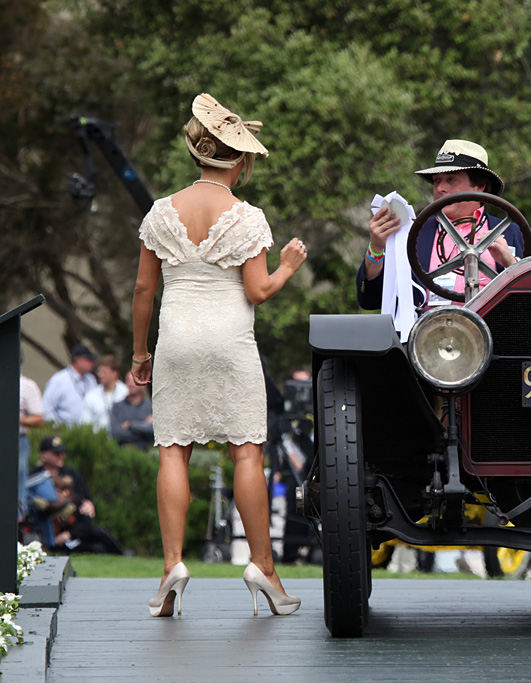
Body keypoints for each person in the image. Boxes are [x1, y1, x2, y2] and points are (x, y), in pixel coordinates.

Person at [131, 93, 305, 618]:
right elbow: (257, 291)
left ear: (198, 153)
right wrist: (290, 265)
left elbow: (143, 290)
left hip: (177, 340)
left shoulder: (161, 212)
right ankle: (264, 570)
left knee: (172, 451)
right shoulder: (247, 218)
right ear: (241, 160)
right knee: (246, 452)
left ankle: (171, 569)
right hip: (230, 343)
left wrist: (140, 353)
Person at [356, 139, 531, 310]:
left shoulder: (518, 235)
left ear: (480, 185)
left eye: (451, 179)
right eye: (436, 181)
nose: (440, 188)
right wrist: (376, 248)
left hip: (493, 335)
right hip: (426, 336)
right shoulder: (411, 236)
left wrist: (511, 264)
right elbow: (370, 299)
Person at [27, 435, 122, 554]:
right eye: (56, 454)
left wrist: (71, 532)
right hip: (52, 530)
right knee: (96, 549)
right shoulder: (34, 477)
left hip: (74, 527)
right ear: (44, 456)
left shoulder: (71, 474)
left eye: (62, 453)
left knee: (100, 534)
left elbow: (85, 502)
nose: (61, 456)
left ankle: (123, 554)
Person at [41, 343, 98, 425]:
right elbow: (47, 408)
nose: (93, 363)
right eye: (89, 360)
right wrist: (56, 428)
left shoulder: (91, 380)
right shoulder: (59, 380)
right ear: (78, 360)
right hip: (64, 432)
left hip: (87, 432)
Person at [19, 368, 44, 517]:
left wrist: (15, 418)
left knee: (17, 483)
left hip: (18, 440)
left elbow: (38, 419)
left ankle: (18, 519)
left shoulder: (27, 385)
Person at [82, 355, 129, 432]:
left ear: (115, 373)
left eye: (104, 372)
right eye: (99, 371)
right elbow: (85, 423)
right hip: (98, 438)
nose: (100, 375)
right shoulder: (91, 396)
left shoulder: (126, 392)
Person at [109, 371, 155, 449]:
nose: (131, 384)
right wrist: (143, 427)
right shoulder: (117, 407)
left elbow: (153, 431)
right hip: (122, 454)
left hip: (147, 455)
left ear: (143, 384)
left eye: (135, 380)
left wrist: (130, 425)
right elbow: (115, 433)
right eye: (128, 380)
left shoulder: (151, 407)